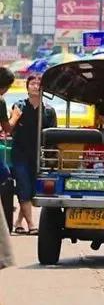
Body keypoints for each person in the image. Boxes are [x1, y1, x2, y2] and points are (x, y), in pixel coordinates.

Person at [9, 75, 57, 234]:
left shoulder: (49, 111)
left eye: (38, 84)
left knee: (30, 190)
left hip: (38, 156)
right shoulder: (19, 106)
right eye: (32, 83)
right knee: (23, 186)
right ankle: (31, 225)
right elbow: (10, 126)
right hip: (20, 154)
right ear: (27, 87)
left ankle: (18, 222)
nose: (36, 86)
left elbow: (53, 137)